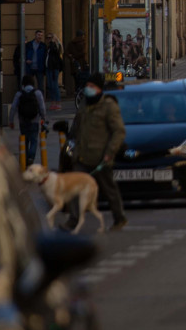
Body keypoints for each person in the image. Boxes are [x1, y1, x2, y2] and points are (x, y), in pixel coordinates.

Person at [65, 78, 127, 231]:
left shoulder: (108, 106)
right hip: (82, 156)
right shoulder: (85, 105)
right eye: (87, 85)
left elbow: (118, 131)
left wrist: (110, 152)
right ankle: (73, 220)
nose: (88, 88)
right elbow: (77, 128)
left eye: (91, 86)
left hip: (101, 157)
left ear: (99, 88)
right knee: (74, 187)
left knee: (109, 189)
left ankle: (119, 218)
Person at [9, 77, 47, 165]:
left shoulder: (19, 94)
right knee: (34, 140)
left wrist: (11, 121)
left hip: (23, 121)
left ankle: (25, 160)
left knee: (24, 141)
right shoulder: (37, 93)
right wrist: (43, 118)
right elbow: (42, 107)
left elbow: (13, 108)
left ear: (23, 84)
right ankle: (31, 157)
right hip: (34, 120)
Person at [44, 32, 64, 111]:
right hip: (49, 68)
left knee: (54, 85)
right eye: (47, 38)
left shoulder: (55, 46)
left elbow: (56, 51)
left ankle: (58, 102)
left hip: (54, 68)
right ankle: (53, 102)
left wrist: (53, 41)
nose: (48, 39)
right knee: (50, 86)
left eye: (50, 38)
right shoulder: (48, 47)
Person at [64, 30, 88, 94]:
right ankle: (80, 91)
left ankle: (76, 91)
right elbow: (83, 53)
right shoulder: (83, 42)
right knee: (82, 78)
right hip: (81, 63)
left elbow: (66, 52)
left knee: (76, 78)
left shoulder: (71, 43)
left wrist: (72, 57)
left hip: (74, 63)